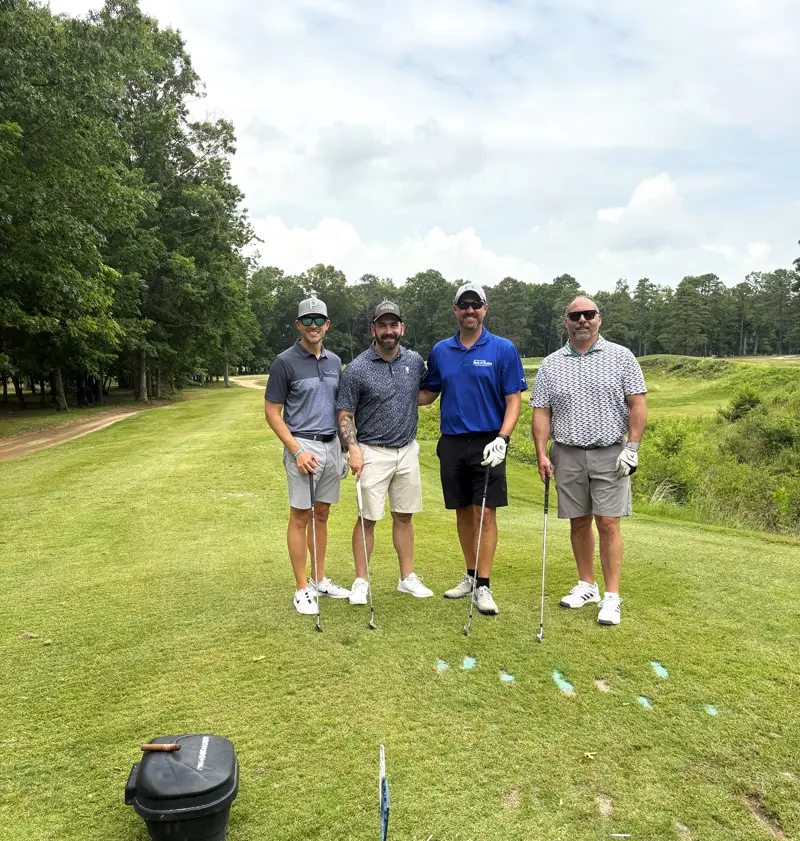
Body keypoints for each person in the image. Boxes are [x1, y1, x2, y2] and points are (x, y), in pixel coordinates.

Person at [531, 296, 648, 626]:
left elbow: (637, 404)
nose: (582, 319)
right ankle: (587, 585)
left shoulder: (621, 357)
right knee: (578, 521)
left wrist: (633, 447)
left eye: (589, 314)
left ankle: (612, 596)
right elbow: (541, 412)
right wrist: (541, 452)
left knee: (608, 522)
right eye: (575, 315)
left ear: (599, 319)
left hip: (611, 452)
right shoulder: (552, 363)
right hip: (566, 452)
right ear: (566, 321)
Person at [419, 282, 528, 615]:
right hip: (452, 443)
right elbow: (427, 393)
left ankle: (484, 585)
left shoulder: (502, 349)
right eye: (463, 305)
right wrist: (386, 392)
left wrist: (503, 438)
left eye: (475, 305)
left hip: (489, 442)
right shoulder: (441, 351)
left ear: (485, 309)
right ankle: (470, 575)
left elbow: (514, 401)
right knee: (464, 513)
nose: (469, 310)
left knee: (486, 514)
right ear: (455, 310)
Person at [336, 300, 433, 604]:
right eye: (383, 325)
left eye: (394, 325)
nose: (389, 331)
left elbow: (425, 393)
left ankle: (406, 578)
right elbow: (345, 413)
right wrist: (352, 448)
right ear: (373, 329)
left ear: (401, 328)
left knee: (404, 516)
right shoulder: (357, 368)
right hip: (371, 451)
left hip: (407, 450)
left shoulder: (415, 361)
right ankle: (361, 580)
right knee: (367, 518)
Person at [264, 294, 351, 615]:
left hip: (331, 446)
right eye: (307, 321)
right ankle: (301, 588)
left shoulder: (335, 362)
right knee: (300, 517)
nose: (313, 326)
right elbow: (272, 413)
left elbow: (341, 409)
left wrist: (344, 449)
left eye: (319, 320)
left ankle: (318, 578)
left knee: (322, 515)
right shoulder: (284, 362)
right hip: (303, 446)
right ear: (299, 325)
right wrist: (297, 450)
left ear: (327, 324)